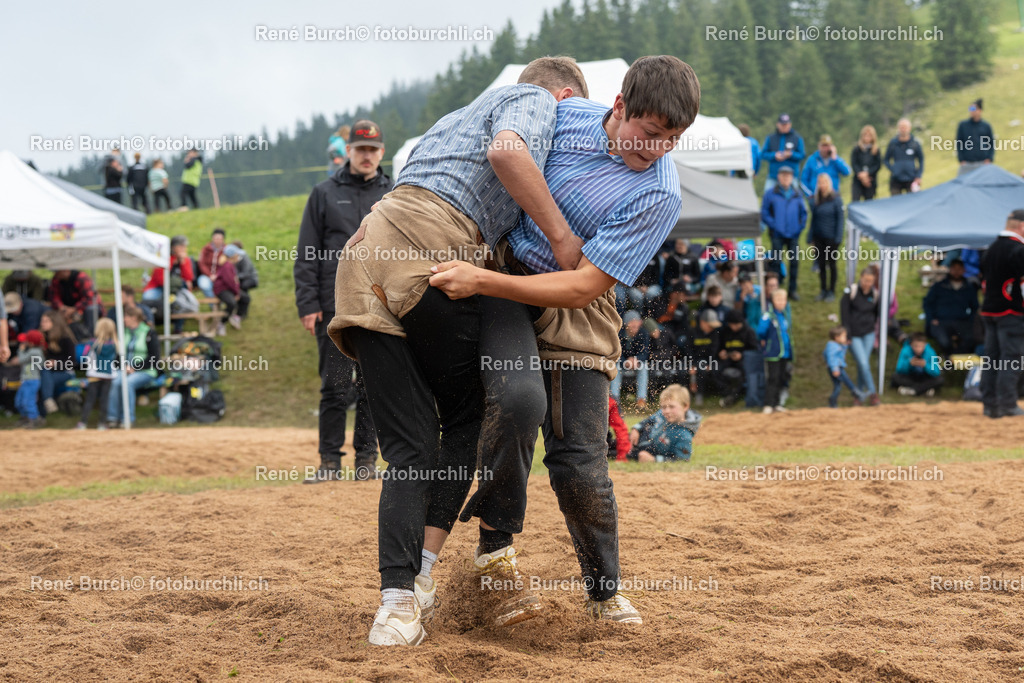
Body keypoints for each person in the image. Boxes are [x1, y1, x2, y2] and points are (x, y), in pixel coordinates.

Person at [326, 59, 593, 644]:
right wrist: (562, 236)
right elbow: (508, 152)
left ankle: (396, 608)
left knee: (410, 450)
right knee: (472, 416)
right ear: (566, 95)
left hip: (365, 256)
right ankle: (418, 580)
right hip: (429, 250)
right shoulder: (538, 103)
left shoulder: (453, 119)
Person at [295, 120, 391, 484]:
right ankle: (328, 464)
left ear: (381, 152)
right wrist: (307, 304)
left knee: (374, 385)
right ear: (348, 151)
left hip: (377, 304)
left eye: (373, 149)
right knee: (334, 384)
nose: (367, 156)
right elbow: (306, 252)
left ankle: (366, 461)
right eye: (360, 149)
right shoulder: (323, 193)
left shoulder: (394, 193)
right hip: (332, 305)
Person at [980, 209, 1024, 418]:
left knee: (992, 359)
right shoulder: (1018, 250)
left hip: (990, 310)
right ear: (1022, 226)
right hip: (1011, 312)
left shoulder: (991, 248)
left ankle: (990, 405)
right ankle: (1007, 403)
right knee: (1011, 358)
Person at [106, 306, 160, 427]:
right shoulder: (123, 332)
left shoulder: (149, 332)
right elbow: (117, 355)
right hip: (125, 369)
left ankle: (128, 418)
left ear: (134, 318)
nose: (124, 319)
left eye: (126, 316)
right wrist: (123, 366)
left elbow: (154, 358)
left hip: (146, 370)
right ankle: (112, 418)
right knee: (114, 381)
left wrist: (134, 367)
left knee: (128, 383)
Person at [761, 165, 807, 300]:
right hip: (777, 234)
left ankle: (792, 290)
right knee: (776, 261)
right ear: (779, 177)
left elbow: (803, 214)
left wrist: (799, 227)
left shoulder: (797, 194)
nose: (786, 178)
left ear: (792, 178)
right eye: (783, 175)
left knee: (794, 262)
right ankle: (775, 288)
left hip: (793, 234)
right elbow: (764, 212)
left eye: (788, 176)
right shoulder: (770, 193)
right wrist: (774, 225)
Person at [627, 384, 702, 462]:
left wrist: (654, 459)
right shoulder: (661, 414)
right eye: (663, 407)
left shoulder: (684, 435)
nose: (666, 411)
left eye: (671, 407)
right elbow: (648, 420)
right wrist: (636, 429)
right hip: (637, 440)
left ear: (685, 406)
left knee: (618, 453)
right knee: (617, 443)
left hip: (645, 452)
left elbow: (682, 459)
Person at [840, 268, 882, 406]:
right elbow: (844, 314)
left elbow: (876, 314)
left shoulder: (875, 294)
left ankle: (859, 395)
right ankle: (873, 393)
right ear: (860, 278)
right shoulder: (850, 292)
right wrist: (848, 334)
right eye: (865, 280)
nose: (867, 283)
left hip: (868, 333)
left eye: (870, 281)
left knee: (862, 365)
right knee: (864, 363)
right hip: (854, 335)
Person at [923, 258, 979, 354]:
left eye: (959, 269)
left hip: (962, 321)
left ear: (964, 270)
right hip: (941, 321)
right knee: (945, 342)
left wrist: (970, 320)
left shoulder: (969, 287)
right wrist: (931, 319)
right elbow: (928, 303)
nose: (956, 272)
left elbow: (975, 306)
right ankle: (949, 360)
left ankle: (959, 361)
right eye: (954, 269)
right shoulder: (939, 286)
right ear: (950, 269)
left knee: (970, 340)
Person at [77, 318, 118, 429]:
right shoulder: (115, 344)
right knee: (104, 400)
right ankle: (102, 424)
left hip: (94, 375)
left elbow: (84, 358)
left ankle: (83, 423)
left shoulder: (91, 344)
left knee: (90, 399)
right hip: (108, 376)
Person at [809, 174, 844, 302]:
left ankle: (831, 291)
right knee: (821, 265)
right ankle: (823, 290)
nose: (822, 185)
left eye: (824, 182)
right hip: (819, 237)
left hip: (832, 238)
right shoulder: (816, 199)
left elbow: (840, 219)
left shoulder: (836, 198)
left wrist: (838, 238)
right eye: (820, 183)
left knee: (832, 264)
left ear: (828, 183)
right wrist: (810, 237)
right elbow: (813, 219)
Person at [757, 289, 793, 414]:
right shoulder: (769, 315)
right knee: (773, 378)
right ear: (773, 300)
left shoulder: (784, 315)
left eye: (784, 299)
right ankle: (768, 404)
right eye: (779, 299)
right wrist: (766, 341)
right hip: (773, 353)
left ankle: (777, 403)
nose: (782, 302)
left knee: (781, 378)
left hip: (784, 352)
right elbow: (761, 331)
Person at [38, 309, 77, 415]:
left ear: (54, 323)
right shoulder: (43, 338)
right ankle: (48, 403)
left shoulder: (66, 339)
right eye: (42, 321)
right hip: (48, 373)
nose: (43, 324)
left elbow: (72, 362)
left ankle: (42, 412)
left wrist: (56, 363)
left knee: (43, 381)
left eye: (46, 321)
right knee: (43, 375)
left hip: (65, 372)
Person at [610, 311, 651, 409]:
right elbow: (616, 352)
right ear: (626, 323)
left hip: (637, 363)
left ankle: (641, 399)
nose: (635, 325)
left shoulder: (643, 333)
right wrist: (625, 361)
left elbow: (645, 352)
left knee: (644, 367)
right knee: (615, 367)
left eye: (637, 322)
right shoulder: (619, 333)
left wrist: (636, 360)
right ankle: (615, 399)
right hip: (622, 363)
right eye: (632, 322)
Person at [143, 234, 195, 312]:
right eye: (181, 246)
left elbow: (189, 278)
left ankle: (178, 323)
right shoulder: (164, 258)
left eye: (184, 246)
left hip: (176, 289)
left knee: (181, 302)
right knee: (148, 297)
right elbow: (160, 279)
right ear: (173, 247)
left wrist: (182, 262)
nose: (183, 249)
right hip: (159, 287)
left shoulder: (186, 260)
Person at [718, 309, 757, 407]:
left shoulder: (749, 332)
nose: (734, 327)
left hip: (744, 361)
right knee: (716, 369)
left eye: (736, 325)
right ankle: (726, 393)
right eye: (732, 324)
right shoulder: (726, 331)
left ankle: (735, 397)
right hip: (727, 359)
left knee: (743, 372)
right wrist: (722, 352)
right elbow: (720, 346)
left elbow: (755, 350)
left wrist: (742, 355)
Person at [686, 309, 722, 406]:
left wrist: (709, 363)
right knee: (684, 371)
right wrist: (692, 364)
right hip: (693, 360)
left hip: (708, 360)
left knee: (705, 369)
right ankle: (688, 396)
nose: (711, 328)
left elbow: (714, 351)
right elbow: (688, 350)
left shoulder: (714, 333)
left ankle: (703, 395)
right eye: (709, 325)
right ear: (702, 322)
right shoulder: (692, 331)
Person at [761, 113, 805, 193]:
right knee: (767, 197)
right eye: (782, 124)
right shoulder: (771, 138)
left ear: (790, 124)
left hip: (791, 177)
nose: (784, 126)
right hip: (774, 176)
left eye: (786, 124)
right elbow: (763, 154)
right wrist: (774, 155)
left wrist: (791, 154)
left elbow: (802, 155)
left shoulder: (797, 138)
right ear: (778, 124)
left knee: (793, 199)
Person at [10, 330, 45, 428]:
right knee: (19, 401)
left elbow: (21, 359)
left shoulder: (35, 352)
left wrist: (20, 350)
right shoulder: (32, 351)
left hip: (32, 380)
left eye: (26, 340)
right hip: (26, 380)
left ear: (31, 342)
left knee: (28, 401)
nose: (24, 342)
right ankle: (25, 418)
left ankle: (33, 419)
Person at [824, 326, 866, 408]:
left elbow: (840, 352)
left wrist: (845, 345)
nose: (845, 338)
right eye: (843, 336)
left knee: (838, 386)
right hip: (836, 368)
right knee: (846, 380)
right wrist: (834, 368)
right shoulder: (832, 346)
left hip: (837, 367)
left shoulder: (835, 345)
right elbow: (831, 358)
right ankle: (857, 393)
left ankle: (832, 402)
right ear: (837, 337)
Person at [50, 270, 103, 334]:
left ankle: (90, 337)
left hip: (85, 307)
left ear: (65, 270)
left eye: (57, 272)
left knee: (91, 309)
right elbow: (54, 297)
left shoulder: (82, 277)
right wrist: (61, 307)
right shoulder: (56, 279)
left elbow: (89, 298)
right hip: (67, 307)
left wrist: (74, 309)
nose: (55, 274)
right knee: (50, 312)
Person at [892, 332, 943, 397]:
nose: (918, 349)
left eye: (921, 346)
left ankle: (912, 390)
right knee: (895, 377)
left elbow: (936, 372)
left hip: (925, 377)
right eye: (916, 346)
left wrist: (925, 365)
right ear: (911, 344)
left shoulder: (930, 351)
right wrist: (909, 364)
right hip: (910, 376)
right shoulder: (905, 350)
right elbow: (899, 370)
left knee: (939, 379)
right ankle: (924, 390)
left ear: (925, 344)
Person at [214, 245, 249, 334]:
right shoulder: (227, 265)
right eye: (237, 254)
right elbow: (230, 281)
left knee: (245, 298)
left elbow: (234, 281)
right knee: (231, 303)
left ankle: (236, 317)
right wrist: (236, 293)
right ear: (233, 256)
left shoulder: (230, 265)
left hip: (229, 289)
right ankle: (222, 323)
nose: (239, 257)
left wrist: (236, 291)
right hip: (222, 290)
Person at [955, 99, 995, 176]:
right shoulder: (963, 125)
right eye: (970, 109)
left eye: (973, 109)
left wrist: (989, 158)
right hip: (967, 163)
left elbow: (991, 143)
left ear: (980, 110)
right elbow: (959, 142)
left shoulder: (986, 126)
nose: (971, 111)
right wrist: (961, 159)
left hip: (983, 163)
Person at [884, 118, 924, 195]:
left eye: (905, 127)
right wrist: (893, 169)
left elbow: (921, 160)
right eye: (901, 127)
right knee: (896, 203)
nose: (903, 129)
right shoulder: (893, 143)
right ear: (898, 128)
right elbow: (886, 159)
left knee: (913, 202)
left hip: (911, 178)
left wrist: (918, 176)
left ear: (909, 128)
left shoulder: (915, 143)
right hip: (896, 179)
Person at [851, 125, 882, 202]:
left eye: (869, 135)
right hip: (858, 180)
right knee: (856, 201)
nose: (867, 138)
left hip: (870, 180)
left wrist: (868, 174)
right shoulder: (857, 149)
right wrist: (861, 175)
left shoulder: (876, 150)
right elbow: (854, 163)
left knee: (869, 202)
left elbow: (878, 165)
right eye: (865, 135)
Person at [231, 241, 259, 319]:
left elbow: (246, 273)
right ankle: (240, 311)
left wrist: (236, 277)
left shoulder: (244, 258)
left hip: (250, 279)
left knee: (242, 291)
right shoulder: (233, 258)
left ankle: (242, 313)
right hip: (242, 279)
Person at [197, 229, 226, 298]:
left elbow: (226, 266)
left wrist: (217, 275)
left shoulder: (226, 250)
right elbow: (202, 263)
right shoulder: (206, 249)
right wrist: (209, 275)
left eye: (219, 239)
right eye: (216, 238)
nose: (217, 241)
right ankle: (213, 304)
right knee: (204, 285)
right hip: (206, 276)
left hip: (220, 277)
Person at [607, 395, 631, 461]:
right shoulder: (609, 399)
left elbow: (620, 428)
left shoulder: (610, 400)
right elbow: (620, 428)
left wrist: (622, 455)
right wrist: (622, 456)